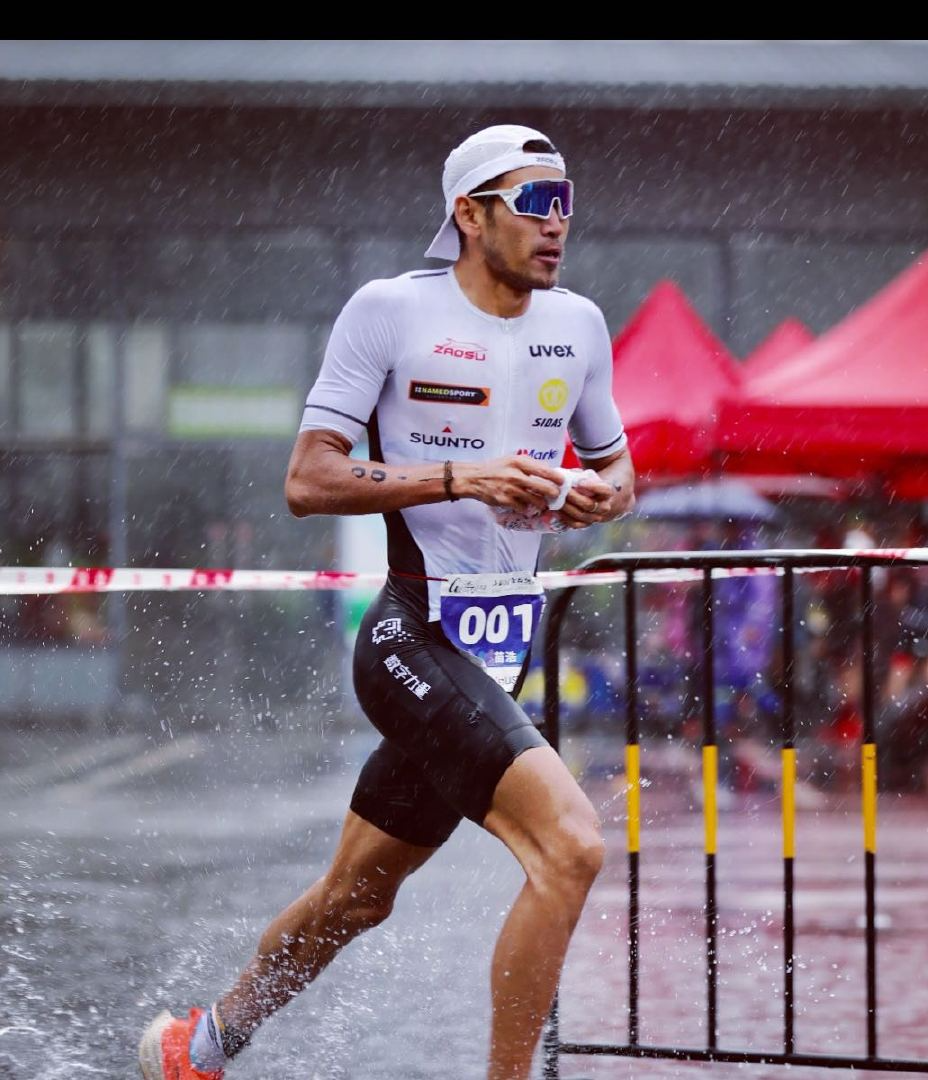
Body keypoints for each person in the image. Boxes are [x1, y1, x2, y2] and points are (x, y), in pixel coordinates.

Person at [138, 123, 635, 1080]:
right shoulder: (390, 311)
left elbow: (620, 475)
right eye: (536, 202)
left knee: (357, 898)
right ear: (470, 214)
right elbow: (307, 480)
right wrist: (462, 478)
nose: (557, 223)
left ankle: (196, 1048)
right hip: (412, 638)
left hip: (496, 655)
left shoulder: (579, 325)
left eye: (567, 203)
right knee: (571, 847)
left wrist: (595, 498)